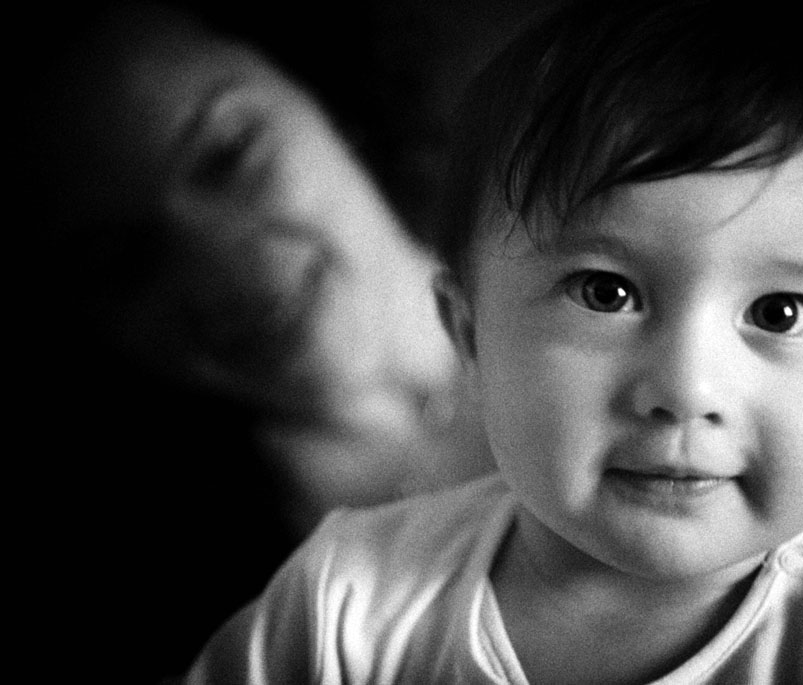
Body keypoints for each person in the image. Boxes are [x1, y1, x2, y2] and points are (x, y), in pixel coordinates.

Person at [183, 0, 803, 682]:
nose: (685, 388)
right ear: (470, 333)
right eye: (606, 293)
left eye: (780, 312)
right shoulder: (341, 603)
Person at [23, 2, 491, 681]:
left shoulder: (596, 248)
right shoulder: (189, 615)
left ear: (326, 96)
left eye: (226, 156)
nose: (220, 272)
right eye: (121, 261)